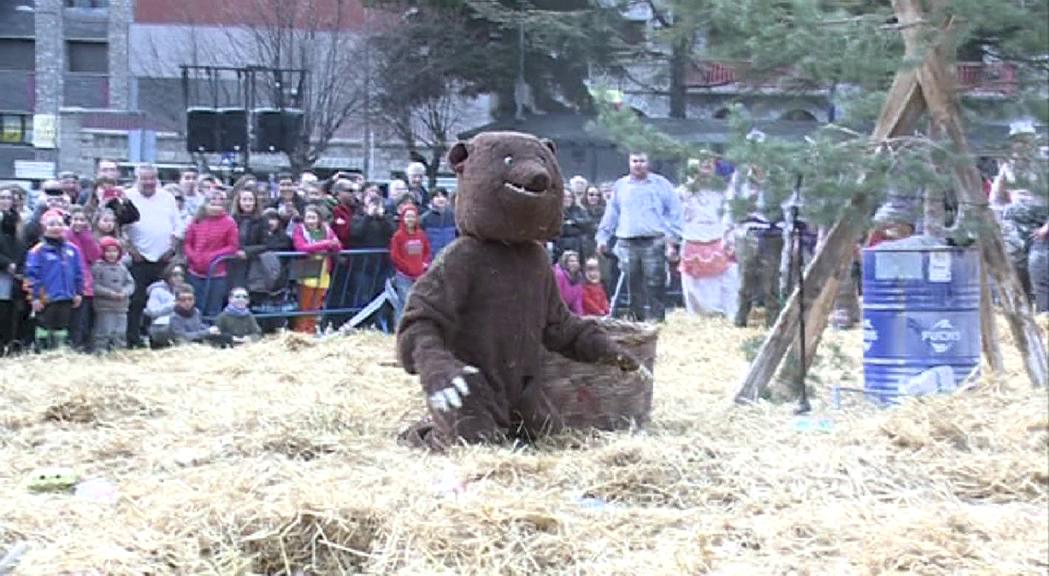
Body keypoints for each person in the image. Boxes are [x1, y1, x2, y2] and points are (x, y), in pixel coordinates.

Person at [595, 151, 682, 322]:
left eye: (642, 161)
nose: (638, 164)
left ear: (648, 162)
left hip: (654, 240)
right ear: (629, 162)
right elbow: (611, 214)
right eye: (634, 161)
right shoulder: (621, 186)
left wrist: (672, 240)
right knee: (632, 283)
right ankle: (637, 320)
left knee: (655, 282)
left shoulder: (661, 184)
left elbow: (675, 212)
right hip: (627, 241)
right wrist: (602, 237)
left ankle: (657, 320)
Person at [124, 164, 180, 348]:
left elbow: (177, 226)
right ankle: (133, 339)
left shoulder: (167, 197)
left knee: (163, 300)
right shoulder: (127, 197)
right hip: (138, 259)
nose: (149, 182)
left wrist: (172, 248)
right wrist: (132, 250)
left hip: (164, 259)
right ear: (136, 178)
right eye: (144, 178)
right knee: (136, 301)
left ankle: (158, 339)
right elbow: (120, 229)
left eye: (152, 178)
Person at [677, 157, 738, 318]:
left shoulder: (725, 190)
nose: (705, 169)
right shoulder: (683, 191)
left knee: (726, 280)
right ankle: (698, 317)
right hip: (692, 238)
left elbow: (732, 215)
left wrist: (730, 237)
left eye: (709, 165)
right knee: (693, 284)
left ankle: (726, 315)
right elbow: (675, 218)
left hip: (719, 239)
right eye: (701, 165)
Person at [25, 210, 84, 350]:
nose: (56, 227)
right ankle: (42, 351)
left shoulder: (72, 249)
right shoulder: (37, 251)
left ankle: (59, 351)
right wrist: (34, 298)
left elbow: (78, 273)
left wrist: (78, 293)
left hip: (67, 296)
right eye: (52, 224)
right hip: (46, 298)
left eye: (60, 224)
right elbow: (31, 276)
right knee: (44, 327)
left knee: (62, 327)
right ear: (44, 227)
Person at [291, 204, 341, 334]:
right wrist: (325, 244)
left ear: (319, 219)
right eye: (308, 218)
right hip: (307, 269)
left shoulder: (327, 230)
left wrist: (331, 245)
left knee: (317, 303)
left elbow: (337, 245)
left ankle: (311, 329)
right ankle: (302, 330)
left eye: (314, 218)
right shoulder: (299, 230)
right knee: (305, 303)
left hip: (324, 270)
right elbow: (301, 247)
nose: (311, 221)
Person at [64, 206, 101, 351]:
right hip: (67, 281)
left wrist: (87, 239)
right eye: (75, 219)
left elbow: (94, 256)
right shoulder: (65, 236)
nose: (78, 223)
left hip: (84, 282)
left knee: (82, 319)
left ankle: (80, 344)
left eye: (82, 220)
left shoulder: (88, 237)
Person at [390, 203, 432, 325]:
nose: (410, 219)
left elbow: (426, 251)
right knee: (404, 302)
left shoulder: (421, 234)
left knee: (418, 301)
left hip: (419, 274)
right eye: (407, 216)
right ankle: (400, 326)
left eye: (413, 216)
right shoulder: (398, 236)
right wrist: (407, 268)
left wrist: (424, 264)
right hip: (404, 275)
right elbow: (395, 256)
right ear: (402, 218)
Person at [91, 236, 134, 351]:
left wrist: (124, 293)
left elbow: (130, 283)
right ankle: (100, 351)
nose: (111, 254)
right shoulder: (98, 267)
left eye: (114, 251)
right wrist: (110, 293)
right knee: (104, 331)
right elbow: (94, 285)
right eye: (108, 251)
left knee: (120, 331)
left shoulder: (122, 268)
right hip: (104, 306)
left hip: (121, 306)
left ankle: (119, 351)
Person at [0, 187, 26, 354]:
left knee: (12, 311)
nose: (5, 201)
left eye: (8, 197)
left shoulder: (18, 221)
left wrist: (17, 264)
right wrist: (5, 263)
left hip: (15, 273)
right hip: (3, 270)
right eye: (2, 197)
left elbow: (22, 245)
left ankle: (10, 345)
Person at [227, 188, 267, 293]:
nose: (247, 203)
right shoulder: (231, 219)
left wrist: (247, 252)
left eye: (250, 200)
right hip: (233, 262)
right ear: (239, 202)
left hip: (253, 263)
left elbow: (266, 244)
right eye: (244, 199)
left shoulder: (262, 220)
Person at [144, 263, 184, 348]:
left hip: (179, 325)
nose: (179, 278)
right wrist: (173, 305)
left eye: (181, 275)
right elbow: (151, 311)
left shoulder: (183, 291)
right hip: (160, 326)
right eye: (175, 275)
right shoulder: (157, 291)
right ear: (168, 276)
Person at [555, 187, 594, 262]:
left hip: (579, 246)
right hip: (560, 246)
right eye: (565, 197)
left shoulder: (579, 210)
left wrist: (574, 222)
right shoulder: (555, 211)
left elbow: (588, 224)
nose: (567, 199)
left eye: (569, 196)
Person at [420, 187, 457, 258]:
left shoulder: (454, 216)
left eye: (443, 196)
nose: (441, 199)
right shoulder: (424, 218)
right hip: (431, 259)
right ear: (431, 200)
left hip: (451, 257)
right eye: (437, 196)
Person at [553, 249, 585, 315]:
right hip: (556, 310)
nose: (575, 263)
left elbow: (577, 301)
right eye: (571, 261)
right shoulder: (559, 274)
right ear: (565, 262)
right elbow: (557, 297)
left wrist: (580, 316)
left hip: (567, 311)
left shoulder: (578, 278)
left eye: (576, 261)